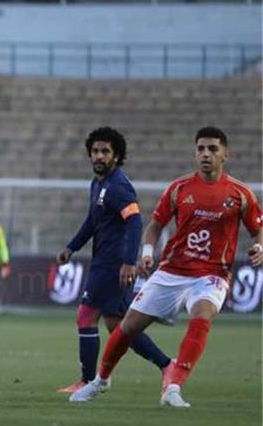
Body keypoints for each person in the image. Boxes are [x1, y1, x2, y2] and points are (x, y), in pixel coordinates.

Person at [71, 127, 263, 407]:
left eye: (212, 149)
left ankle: (173, 386)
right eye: (201, 149)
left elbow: (258, 230)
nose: (206, 154)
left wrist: (259, 247)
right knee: (127, 327)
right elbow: (154, 225)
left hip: (212, 274)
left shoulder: (240, 194)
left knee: (202, 315)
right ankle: (99, 380)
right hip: (172, 271)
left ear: (225, 154)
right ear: (195, 153)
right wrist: (147, 253)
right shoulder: (179, 189)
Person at [54, 128, 171, 394]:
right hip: (105, 263)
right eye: (95, 151)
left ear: (117, 156)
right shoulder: (98, 184)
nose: (99, 156)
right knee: (119, 327)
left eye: (105, 151)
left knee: (86, 317)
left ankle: (87, 381)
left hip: (114, 265)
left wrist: (130, 262)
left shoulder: (118, 186)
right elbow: (92, 222)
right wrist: (71, 248)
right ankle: (167, 365)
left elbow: (134, 222)